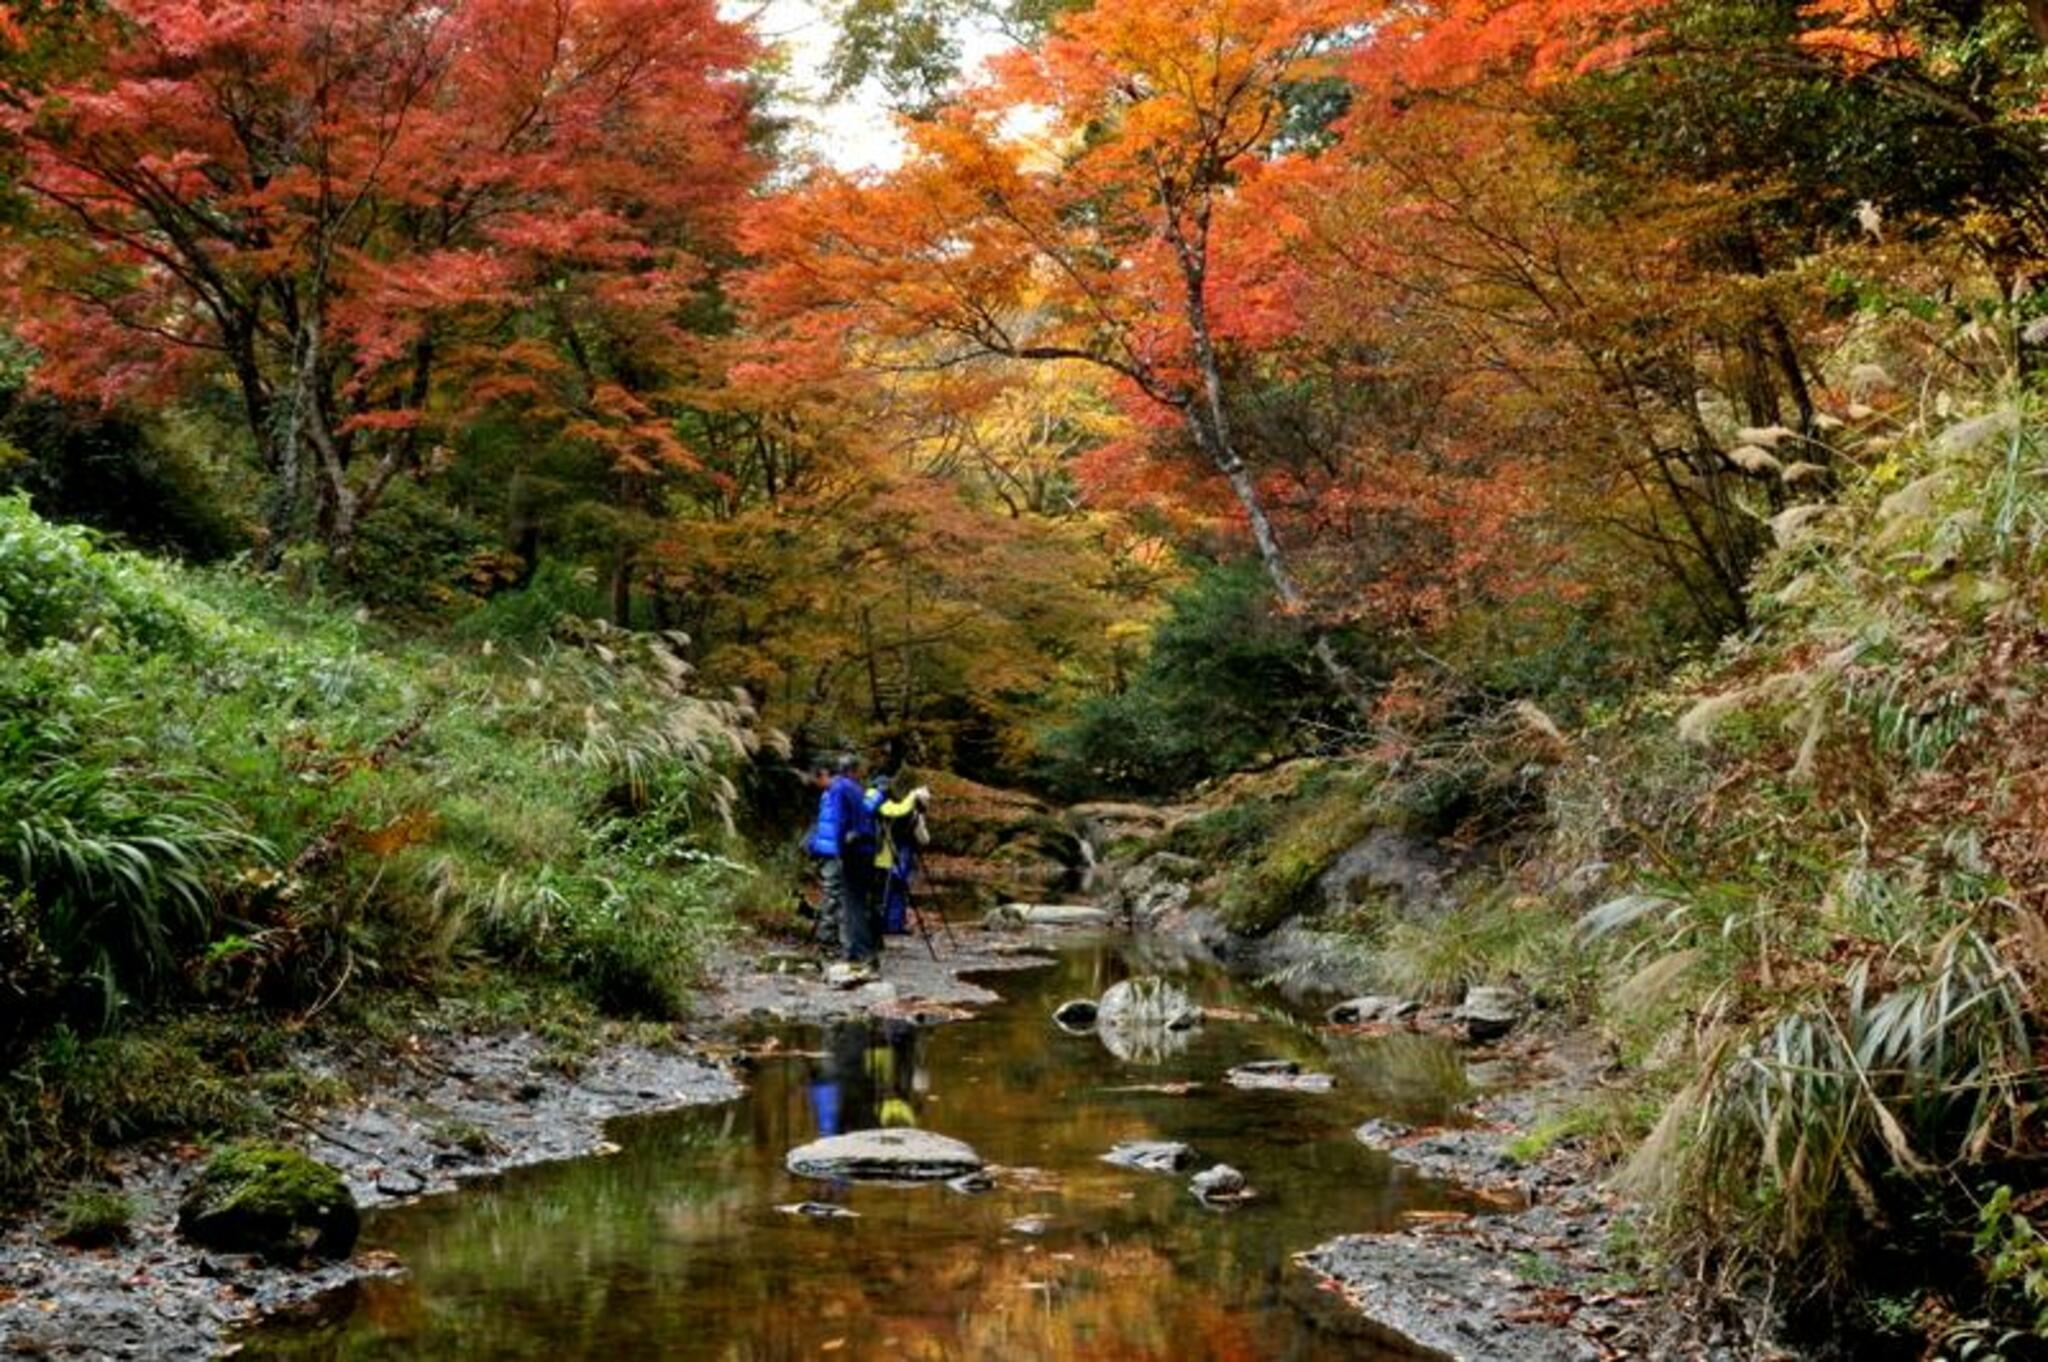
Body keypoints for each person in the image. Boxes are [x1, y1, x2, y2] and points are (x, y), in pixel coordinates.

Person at [822, 752, 881, 972]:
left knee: (852, 904)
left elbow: (839, 822)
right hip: (867, 849)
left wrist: (839, 851)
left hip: (853, 851)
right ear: (855, 770)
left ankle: (859, 953)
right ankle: (868, 950)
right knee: (861, 902)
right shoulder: (858, 789)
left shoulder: (839, 788)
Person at [874, 784, 931, 936]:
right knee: (899, 889)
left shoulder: (897, 808)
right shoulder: (915, 814)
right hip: (904, 853)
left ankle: (882, 923)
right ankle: (894, 924)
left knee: (885, 889)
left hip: (888, 852)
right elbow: (924, 839)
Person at [801, 762, 842, 953]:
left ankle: (827, 938)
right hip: (827, 851)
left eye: (818, 778)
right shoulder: (827, 794)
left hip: (834, 852)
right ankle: (827, 937)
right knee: (831, 894)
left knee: (832, 895)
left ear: (825, 774)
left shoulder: (838, 793)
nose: (816, 783)